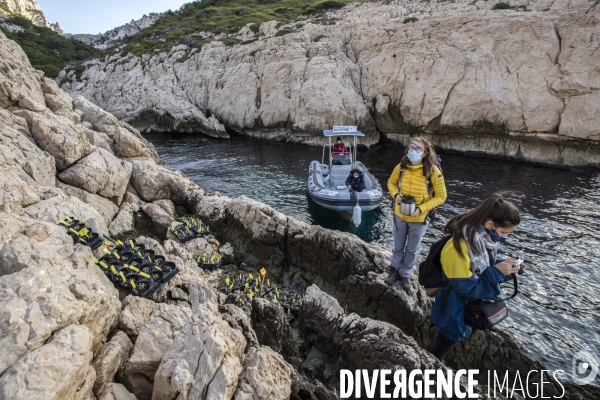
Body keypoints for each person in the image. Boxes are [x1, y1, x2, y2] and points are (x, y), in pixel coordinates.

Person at [429, 193, 523, 361]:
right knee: (443, 343)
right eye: (504, 232)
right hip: (454, 308)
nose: (506, 237)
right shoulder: (457, 247)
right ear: (489, 224)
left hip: (467, 306)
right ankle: (430, 365)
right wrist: (498, 271)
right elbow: (466, 287)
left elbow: (484, 268)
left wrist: (509, 269)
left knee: (447, 341)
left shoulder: (482, 240)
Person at [385, 137, 447, 292]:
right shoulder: (401, 167)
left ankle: (405, 274)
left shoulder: (433, 172)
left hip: (419, 218)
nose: (413, 151)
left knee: (412, 249)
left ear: (425, 153)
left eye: (418, 149)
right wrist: (395, 195)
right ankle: (394, 269)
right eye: (411, 147)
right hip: (400, 214)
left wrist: (422, 208)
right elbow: (391, 183)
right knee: (398, 246)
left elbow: (441, 196)